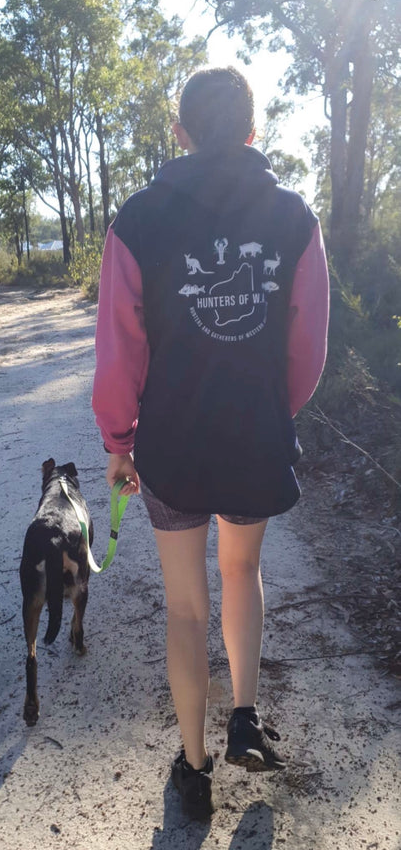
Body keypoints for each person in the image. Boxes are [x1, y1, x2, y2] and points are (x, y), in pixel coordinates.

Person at [92, 67, 329, 820]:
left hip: (170, 445)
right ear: (253, 132)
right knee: (244, 567)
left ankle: (193, 768)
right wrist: (270, 409)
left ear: (179, 133)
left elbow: (118, 349)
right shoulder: (294, 216)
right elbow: (309, 343)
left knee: (185, 609)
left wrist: (118, 440)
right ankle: (245, 714)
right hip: (253, 432)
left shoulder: (138, 218)